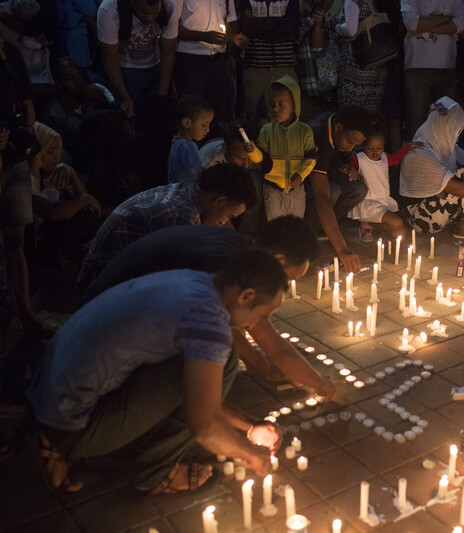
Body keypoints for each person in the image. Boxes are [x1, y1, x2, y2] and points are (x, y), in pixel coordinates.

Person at [30, 250, 287, 494]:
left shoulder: (196, 282)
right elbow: (204, 425)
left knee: (203, 363)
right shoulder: (209, 322)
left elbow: (197, 392)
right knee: (227, 357)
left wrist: (249, 426)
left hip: (47, 392)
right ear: (246, 296)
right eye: (260, 315)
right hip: (71, 422)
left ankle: (99, 446)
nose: (253, 326)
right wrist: (252, 455)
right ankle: (154, 474)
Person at [80, 217, 334, 398]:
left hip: (113, 315)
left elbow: (259, 335)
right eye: (289, 279)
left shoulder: (237, 245)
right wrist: (322, 386)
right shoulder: (223, 262)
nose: (286, 286)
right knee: (220, 356)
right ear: (278, 259)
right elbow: (263, 340)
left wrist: (269, 367)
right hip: (99, 337)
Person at [77, 162, 258, 289]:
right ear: (219, 201)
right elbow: (182, 280)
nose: (224, 222)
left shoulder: (186, 192)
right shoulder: (180, 217)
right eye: (229, 216)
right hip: (102, 292)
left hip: (106, 280)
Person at [399, 97, 464, 239]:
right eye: (454, 128)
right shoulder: (420, 151)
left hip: (435, 205)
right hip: (419, 217)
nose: (456, 133)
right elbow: (453, 188)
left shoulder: (445, 146)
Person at [0, 39, 48, 337]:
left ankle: (25, 313)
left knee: (15, 240)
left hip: (12, 158)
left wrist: (26, 131)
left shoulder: (8, 52)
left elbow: (27, 100)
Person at [305, 106, 371, 274]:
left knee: (359, 188)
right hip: (299, 182)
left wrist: (344, 164)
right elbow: (321, 197)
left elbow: (334, 155)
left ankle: (325, 228)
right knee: (332, 191)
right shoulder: (317, 136)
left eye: (355, 145)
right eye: (350, 142)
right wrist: (342, 249)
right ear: (339, 128)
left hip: (326, 172)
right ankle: (308, 236)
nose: (350, 148)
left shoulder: (335, 124)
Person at [29, 123, 102, 268]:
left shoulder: (59, 173)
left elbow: (93, 208)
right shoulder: (27, 180)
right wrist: (85, 200)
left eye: (58, 151)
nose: (56, 157)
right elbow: (53, 213)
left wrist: (72, 173)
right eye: (50, 152)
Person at [96, 0, 179, 120]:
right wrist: (125, 96)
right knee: (132, 116)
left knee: (157, 116)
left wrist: (162, 96)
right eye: (144, 13)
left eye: (154, 13)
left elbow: (167, 53)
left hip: (155, 65)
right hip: (125, 70)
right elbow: (110, 60)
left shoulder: (169, 5)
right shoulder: (110, 10)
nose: (149, 18)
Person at [172, 0, 244, 132]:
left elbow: (227, 22)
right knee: (193, 113)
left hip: (219, 61)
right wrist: (204, 36)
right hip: (190, 61)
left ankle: (217, 148)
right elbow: (172, 28)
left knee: (221, 113)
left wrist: (233, 37)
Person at [401, 0, 464, 137]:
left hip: (446, 69)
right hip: (416, 68)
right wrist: (445, 20)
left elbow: (461, 24)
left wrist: (424, 26)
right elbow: (412, 23)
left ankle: (443, 158)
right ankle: (418, 158)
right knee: (416, 123)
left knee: (445, 122)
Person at [255, 76, 316, 220]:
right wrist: (252, 151)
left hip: (297, 190)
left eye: (281, 105)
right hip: (272, 189)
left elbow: (312, 157)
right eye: (273, 104)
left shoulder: (305, 131)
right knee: (275, 228)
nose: (276, 109)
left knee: (295, 229)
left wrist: (301, 175)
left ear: (294, 104)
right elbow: (260, 157)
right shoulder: (267, 130)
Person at [39, 57, 114, 171]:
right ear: (58, 83)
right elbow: (67, 152)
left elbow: (115, 124)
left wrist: (102, 102)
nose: (77, 82)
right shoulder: (53, 113)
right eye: (70, 78)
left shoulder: (93, 95)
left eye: (79, 76)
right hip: (78, 166)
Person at [349, 121, 419, 241]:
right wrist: (351, 169)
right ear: (363, 145)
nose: (375, 152)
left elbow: (396, 158)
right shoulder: (359, 159)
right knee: (397, 223)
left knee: (401, 232)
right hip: (368, 203)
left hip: (382, 202)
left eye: (379, 148)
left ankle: (370, 225)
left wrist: (407, 146)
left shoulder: (385, 157)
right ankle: (365, 223)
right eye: (370, 148)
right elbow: (347, 165)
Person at [239, 0, 300, 121]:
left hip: (284, 69)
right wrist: (277, 24)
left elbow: (290, 29)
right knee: (257, 120)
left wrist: (257, 23)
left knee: (288, 120)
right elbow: (246, 27)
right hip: (256, 70)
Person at [334, 0, 389, 113]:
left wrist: (336, 27)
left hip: (355, 65)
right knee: (369, 114)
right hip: (378, 63)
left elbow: (350, 30)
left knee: (351, 113)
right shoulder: (372, 2)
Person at [168, 94, 215, 184]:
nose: (208, 130)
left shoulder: (176, 142)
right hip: (186, 194)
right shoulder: (188, 146)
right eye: (204, 125)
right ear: (187, 123)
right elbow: (197, 176)